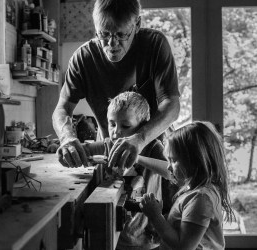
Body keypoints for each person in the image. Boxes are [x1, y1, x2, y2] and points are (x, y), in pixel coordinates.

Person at [52, 0, 180, 170]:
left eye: (121, 35)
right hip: (111, 153)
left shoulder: (154, 45)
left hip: (155, 152)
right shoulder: (83, 59)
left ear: (137, 24)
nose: (112, 44)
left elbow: (171, 105)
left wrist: (139, 139)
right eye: (103, 34)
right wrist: (66, 137)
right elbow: (62, 109)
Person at [83, 91, 178, 249]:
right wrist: (65, 147)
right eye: (112, 123)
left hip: (147, 236)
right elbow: (84, 150)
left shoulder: (152, 147)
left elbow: (171, 172)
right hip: (116, 236)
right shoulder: (108, 145)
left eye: (125, 126)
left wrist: (138, 158)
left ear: (142, 127)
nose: (116, 131)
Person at [139, 121, 235, 250]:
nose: (168, 166)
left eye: (173, 160)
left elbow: (183, 247)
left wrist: (156, 216)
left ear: (195, 159)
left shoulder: (200, 199)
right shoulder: (195, 192)